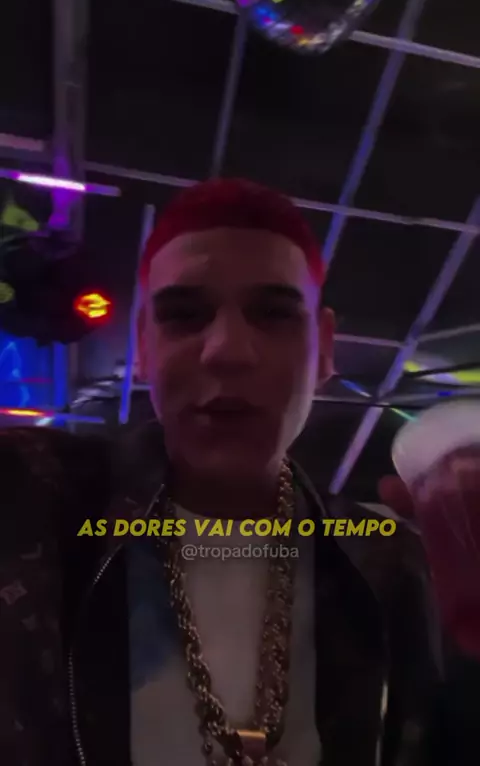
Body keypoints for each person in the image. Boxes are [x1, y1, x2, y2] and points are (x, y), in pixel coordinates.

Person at [0, 178, 478, 766]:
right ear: (143, 347)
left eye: (274, 314)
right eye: (184, 315)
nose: (227, 350)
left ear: (324, 349)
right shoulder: (31, 500)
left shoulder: (390, 566)